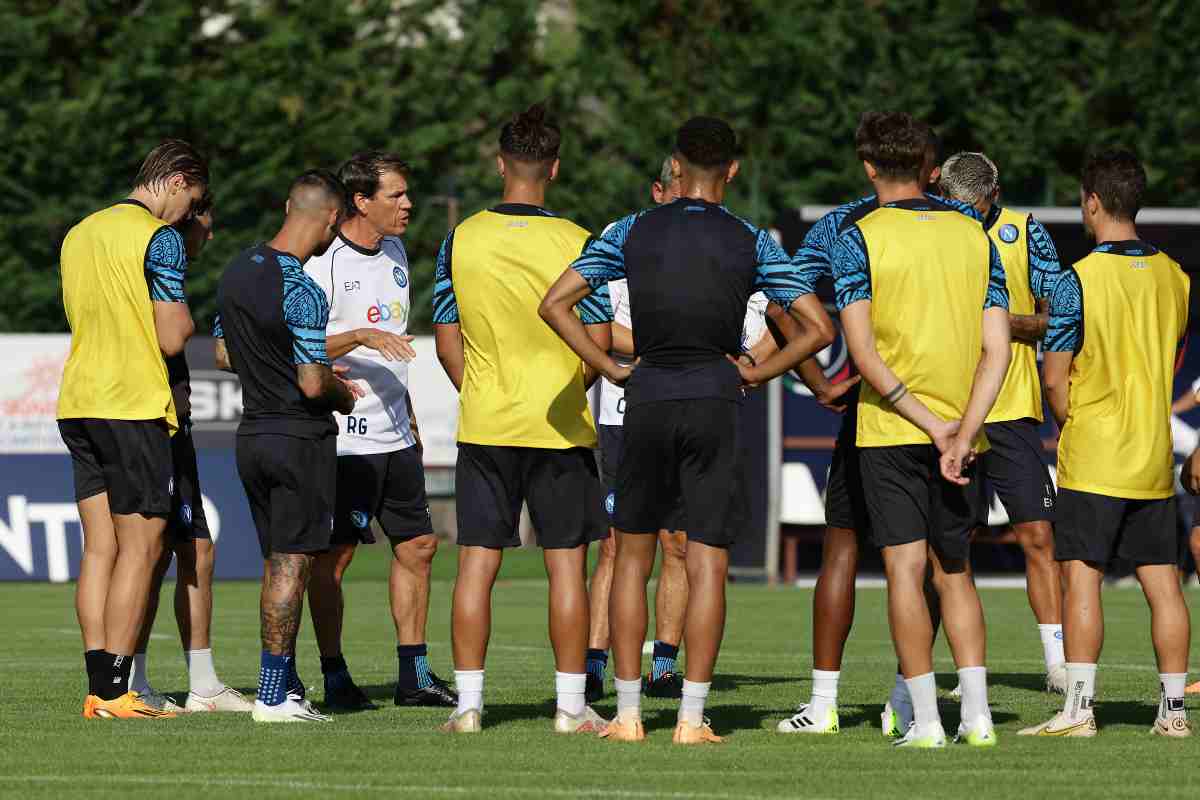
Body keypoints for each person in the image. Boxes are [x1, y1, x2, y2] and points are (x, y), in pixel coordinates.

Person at [542, 116, 834, 745]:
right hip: (714, 401)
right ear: (732, 170)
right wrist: (754, 372)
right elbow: (817, 329)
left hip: (645, 398)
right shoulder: (754, 240)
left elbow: (554, 303)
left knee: (630, 559)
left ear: (675, 165)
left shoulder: (629, 230)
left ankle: (625, 716)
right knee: (706, 562)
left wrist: (608, 368)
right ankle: (693, 719)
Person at [432, 103, 613, 735]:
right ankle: (569, 708)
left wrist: (479, 388)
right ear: (554, 168)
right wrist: (570, 384)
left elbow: (446, 332)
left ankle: (468, 706)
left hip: (486, 423)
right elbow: (599, 337)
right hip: (559, 424)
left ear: (500, 161)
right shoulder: (580, 240)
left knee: (477, 564)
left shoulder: (461, 238)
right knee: (567, 566)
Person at [833, 111, 1011, 748]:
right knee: (955, 574)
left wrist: (933, 426)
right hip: (964, 439)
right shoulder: (974, 235)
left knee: (906, 573)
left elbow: (865, 358)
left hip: (892, 433)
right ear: (928, 165)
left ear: (869, 167)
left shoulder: (859, 236)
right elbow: (999, 351)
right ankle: (981, 719)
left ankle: (929, 724)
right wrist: (962, 433)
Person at [585, 156, 791, 703]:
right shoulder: (624, 236)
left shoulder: (733, 242)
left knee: (680, 545)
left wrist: (741, 362)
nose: (688, 195)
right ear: (659, 189)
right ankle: (594, 661)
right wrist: (680, 349)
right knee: (618, 545)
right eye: (677, 185)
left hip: (698, 399)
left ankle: (663, 663)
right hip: (627, 413)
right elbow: (601, 327)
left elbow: (776, 319)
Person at [775, 125, 944, 737]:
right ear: (929, 164)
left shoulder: (843, 226)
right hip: (950, 415)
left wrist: (819, 383)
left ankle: (823, 706)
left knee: (842, 549)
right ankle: (909, 698)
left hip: (875, 409)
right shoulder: (960, 222)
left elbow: (780, 297)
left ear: (868, 165)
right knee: (940, 564)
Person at [1022, 150, 1191, 738]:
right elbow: (1171, 361)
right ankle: (1173, 713)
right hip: (1151, 453)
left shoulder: (1077, 280)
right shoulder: (1176, 276)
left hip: (1095, 452)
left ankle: (1079, 710)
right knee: (1163, 584)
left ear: (1092, 202)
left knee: (1083, 577)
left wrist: (1071, 418)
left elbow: (1054, 376)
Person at [58, 139, 207, 719]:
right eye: (190, 200)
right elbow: (171, 336)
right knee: (143, 545)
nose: (189, 215)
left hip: (78, 399)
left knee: (100, 548)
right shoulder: (158, 237)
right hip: (131, 401)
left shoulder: (80, 232)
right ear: (174, 180)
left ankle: (99, 685)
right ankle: (118, 689)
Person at [302, 150, 456, 710]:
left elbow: (393, 341)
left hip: (396, 432)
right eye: (395, 195)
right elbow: (300, 347)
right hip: (344, 438)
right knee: (334, 560)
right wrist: (358, 338)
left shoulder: (394, 252)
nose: (408, 204)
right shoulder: (323, 262)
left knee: (418, 545)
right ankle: (334, 672)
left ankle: (413, 674)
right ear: (360, 201)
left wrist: (409, 408)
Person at [214, 169, 361, 723]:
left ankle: (287, 686)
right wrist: (341, 392)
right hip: (297, 437)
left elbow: (224, 355)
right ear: (329, 218)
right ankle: (273, 697)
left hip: (251, 434)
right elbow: (309, 381)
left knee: (277, 563)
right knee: (292, 565)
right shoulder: (302, 287)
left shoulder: (234, 272)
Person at [938, 152, 1067, 694]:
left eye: (974, 206)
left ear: (995, 194)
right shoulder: (932, 233)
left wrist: (1006, 324)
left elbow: (1059, 316)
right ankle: (944, 669)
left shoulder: (1025, 232)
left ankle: (1058, 661)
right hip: (948, 408)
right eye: (954, 205)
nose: (964, 214)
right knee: (948, 545)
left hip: (1011, 409)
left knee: (1038, 536)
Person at [129, 193, 254, 713]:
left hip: (175, 423)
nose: (212, 234)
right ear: (188, 221)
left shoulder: (165, 266)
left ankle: (202, 683)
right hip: (147, 421)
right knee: (146, 554)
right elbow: (173, 337)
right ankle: (129, 680)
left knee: (196, 548)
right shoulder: (159, 254)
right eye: (207, 222)